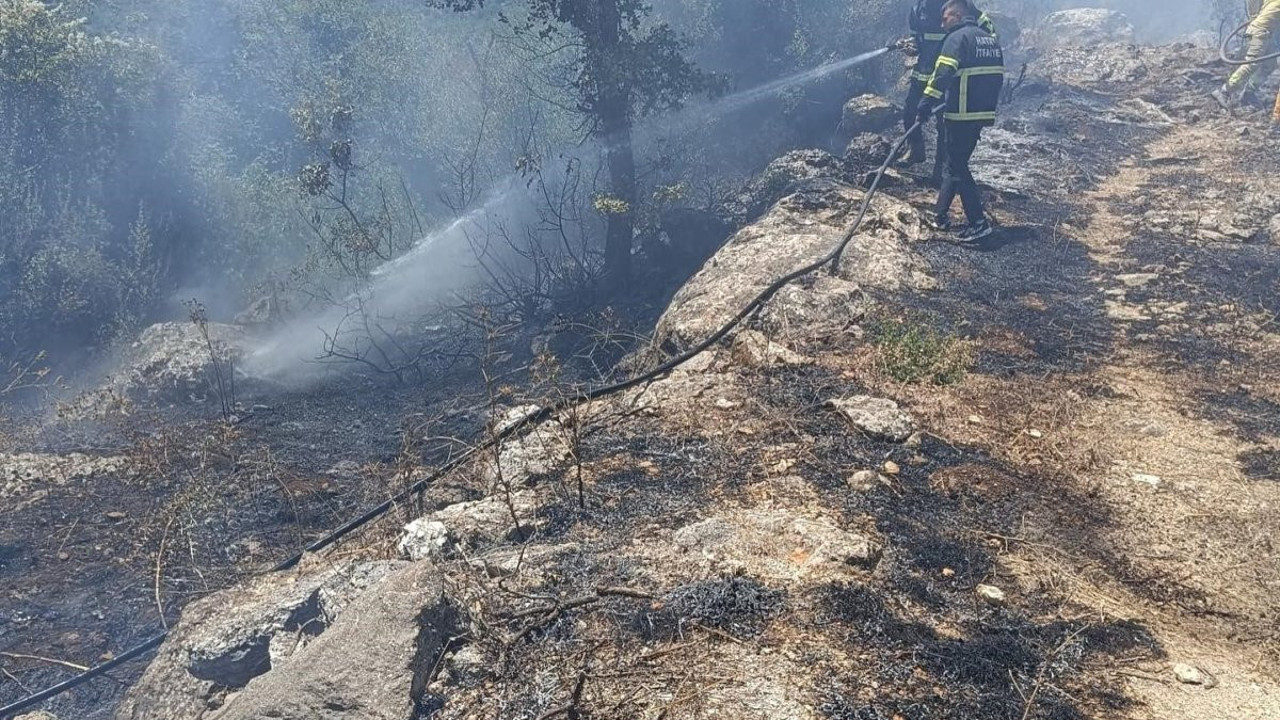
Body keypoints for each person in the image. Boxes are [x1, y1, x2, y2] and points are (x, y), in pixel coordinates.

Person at [917, 0, 1004, 242]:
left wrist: (924, 105)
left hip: (961, 114)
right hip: (981, 113)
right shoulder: (988, 39)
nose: (941, 23)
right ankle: (940, 216)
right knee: (954, 164)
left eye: (945, 18)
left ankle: (978, 223)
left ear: (956, 15)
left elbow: (941, 75)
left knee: (957, 166)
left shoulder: (957, 39)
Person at [898, 0, 996, 181]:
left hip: (950, 76)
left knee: (944, 126)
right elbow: (920, 37)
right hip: (924, 73)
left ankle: (941, 173)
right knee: (910, 111)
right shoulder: (918, 9)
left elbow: (987, 34)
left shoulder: (958, 6)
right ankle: (915, 149)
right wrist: (912, 45)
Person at [1212, 0, 1280, 128]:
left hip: (1263, 32)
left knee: (1269, 66)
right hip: (1261, 33)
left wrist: (1254, 18)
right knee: (1251, 64)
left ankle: (1249, 92)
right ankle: (1224, 91)